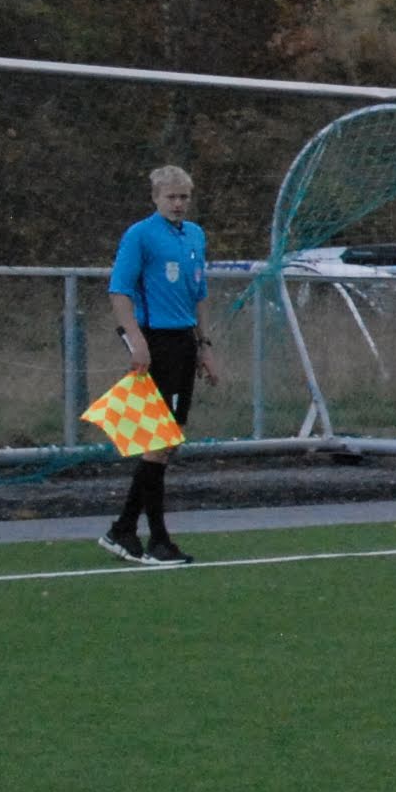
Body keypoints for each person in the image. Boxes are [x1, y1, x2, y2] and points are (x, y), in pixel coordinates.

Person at [100, 164, 222, 566]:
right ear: (155, 198)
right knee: (156, 441)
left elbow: (198, 294)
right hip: (156, 342)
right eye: (171, 197)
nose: (178, 204)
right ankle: (157, 540)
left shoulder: (195, 235)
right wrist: (136, 341)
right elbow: (120, 291)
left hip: (183, 342)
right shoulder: (140, 235)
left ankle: (123, 529)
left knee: (168, 441)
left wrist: (204, 346)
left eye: (184, 196)